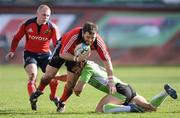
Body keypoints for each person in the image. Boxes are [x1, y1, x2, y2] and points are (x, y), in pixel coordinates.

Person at [30, 21, 116, 112]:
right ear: (83, 33)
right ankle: (38, 92)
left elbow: (107, 61)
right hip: (63, 49)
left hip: (78, 56)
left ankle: (62, 102)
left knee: (71, 83)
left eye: (92, 38)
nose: (90, 40)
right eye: (88, 37)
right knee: (49, 75)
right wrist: (76, 59)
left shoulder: (98, 42)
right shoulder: (74, 35)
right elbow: (62, 54)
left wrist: (111, 80)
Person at [5, 4, 60, 110]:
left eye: (48, 16)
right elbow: (16, 38)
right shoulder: (27, 24)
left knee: (54, 78)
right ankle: (33, 98)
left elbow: (57, 44)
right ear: (37, 14)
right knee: (32, 75)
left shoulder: (52, 27)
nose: (46, 17)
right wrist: (12, 51)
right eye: (43, 15)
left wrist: (58, 58)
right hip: (30, 54)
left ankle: (53, 97)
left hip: (45, 55)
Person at [72, 61, 178, 113]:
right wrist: (57, 78)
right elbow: (70, 77)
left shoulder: (87, 69)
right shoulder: (91, 65)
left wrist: (73, 88)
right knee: (150, 108)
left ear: (80, 64)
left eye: (75, 69)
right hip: (127, 87)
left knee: (100, 110)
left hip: (118, 90)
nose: (75, 72)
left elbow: (78, 88)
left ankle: (129, 108)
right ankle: (165, 93)